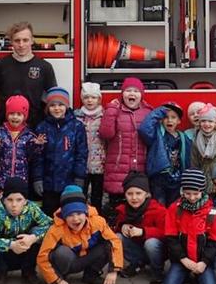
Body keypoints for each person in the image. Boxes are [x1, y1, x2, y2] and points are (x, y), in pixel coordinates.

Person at [37, 185, 122, 284]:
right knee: (62, 252)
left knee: (107, 245)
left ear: (86, 212)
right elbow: (42, 257)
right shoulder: (56, 229)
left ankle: (91, 275)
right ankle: (60, 279)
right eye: (70, 215)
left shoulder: (98, 222)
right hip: (68, 262)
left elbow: (115, 241)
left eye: (79, 213)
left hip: (86, 258)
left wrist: (113, 271)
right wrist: (57, 281)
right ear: (64, 216)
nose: (76, 219)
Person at [0, 176, 53, 284]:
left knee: (40, 239)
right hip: (5, 254)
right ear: (4, 199)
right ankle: (0, 273)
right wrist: (11, 245)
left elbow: (50, 225)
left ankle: (29, 272)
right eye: (10, 200)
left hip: (25, 250)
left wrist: (33, 237)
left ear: (25, 200)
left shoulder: (32, 209)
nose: (14, 205)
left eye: (19, 200)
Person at [161, 169, 216, 284]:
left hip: (202, 261)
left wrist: (204, 262)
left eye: (196, 194)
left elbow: (215, 241)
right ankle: (185, 276)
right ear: (182, 191)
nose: (192, 197)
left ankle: (197, 277)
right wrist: (184, 260)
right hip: (182, 260)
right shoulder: (174, 209)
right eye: (187, 193)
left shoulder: (212, 212)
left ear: (203, 191)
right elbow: (171, 238)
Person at [0, 21, 57, 130]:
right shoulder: (1, 64)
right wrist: (1, 114)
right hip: (8, 125)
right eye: (17, 40)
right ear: (11, 41)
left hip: (35, 125)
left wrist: (43, 119)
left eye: (25, 40)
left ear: (32, 40)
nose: (21, 45)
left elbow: (53, 96)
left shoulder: (44, 66)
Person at [31, 87, 88, 216]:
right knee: (50, 215)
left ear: (67, 106)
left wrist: (79, 177)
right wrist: (37, 178)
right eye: (53, 105)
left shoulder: (76, 127)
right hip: (48, 183)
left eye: (61, 104)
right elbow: (38, 156)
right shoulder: (42, 127)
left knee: (69, 214)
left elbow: (81, 154)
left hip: (70, 182)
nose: (57, 108)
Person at [99, 77, 153, 211]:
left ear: (142, 95)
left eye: (136, 91)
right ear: (122, 94)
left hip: (140, 168)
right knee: (116, 209)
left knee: (138, 207)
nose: (132, 94)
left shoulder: (148, 112)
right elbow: (106, 134)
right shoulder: (114, 110)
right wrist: (111, 110)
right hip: (117, 170)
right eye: (128, 90)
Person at [111, 171, 167, 283]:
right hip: (136, 248)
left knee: (151, 243)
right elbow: (112, 229)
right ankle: (137, 263)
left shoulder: (158, 209)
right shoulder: (122, 209)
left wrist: (143, 232)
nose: (134, 198)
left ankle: (157, 270)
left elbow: (166, 232)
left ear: (147, 194)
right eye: (129, 194)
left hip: (157, 250)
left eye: (138, 193)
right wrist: (121, 226)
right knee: (117, 237)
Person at [138, 101, 192, 206]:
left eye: (173, 117)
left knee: (174, 208)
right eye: (166, 117)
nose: (169, 120)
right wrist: (159, 112)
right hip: (159, 179)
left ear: (179, 121)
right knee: (159, 207)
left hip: (177, 180)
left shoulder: (183, 137)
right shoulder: (157, 135)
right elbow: (144, 129)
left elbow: (187, 158)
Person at [0, 94, 38, 198]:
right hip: (2, 182)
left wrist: (37, 145)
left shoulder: (29, 135)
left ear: (25, 116)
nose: (15, 117)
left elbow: (31, 157)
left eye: (19, 114)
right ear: (7, 114)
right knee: (0, 210)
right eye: (11, 113)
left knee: (17, 210)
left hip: (20, 182)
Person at [76, 82, 106, 211]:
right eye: (86, 97)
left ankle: (98, 220)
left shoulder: (104, 116)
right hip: (81, 164)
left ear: (99, 99)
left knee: (97, 195)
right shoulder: (76, 116)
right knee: (81, 194)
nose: (90, 100)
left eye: (93, 97)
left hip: (100, 164)